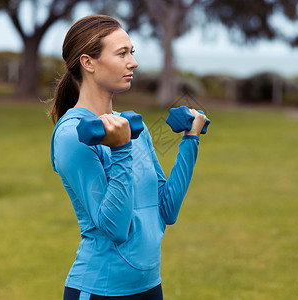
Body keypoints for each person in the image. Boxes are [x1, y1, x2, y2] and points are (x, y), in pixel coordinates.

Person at [49, 14, 207, 300]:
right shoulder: (72, 135)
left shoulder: (133, 126)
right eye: (122, 53)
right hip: (99, 289)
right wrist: (122, 150)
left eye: (132, 52)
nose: (133, 62)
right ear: (88, 62)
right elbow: (115, 227)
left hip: (149, 287)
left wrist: (190, 141)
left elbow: (166, 210)